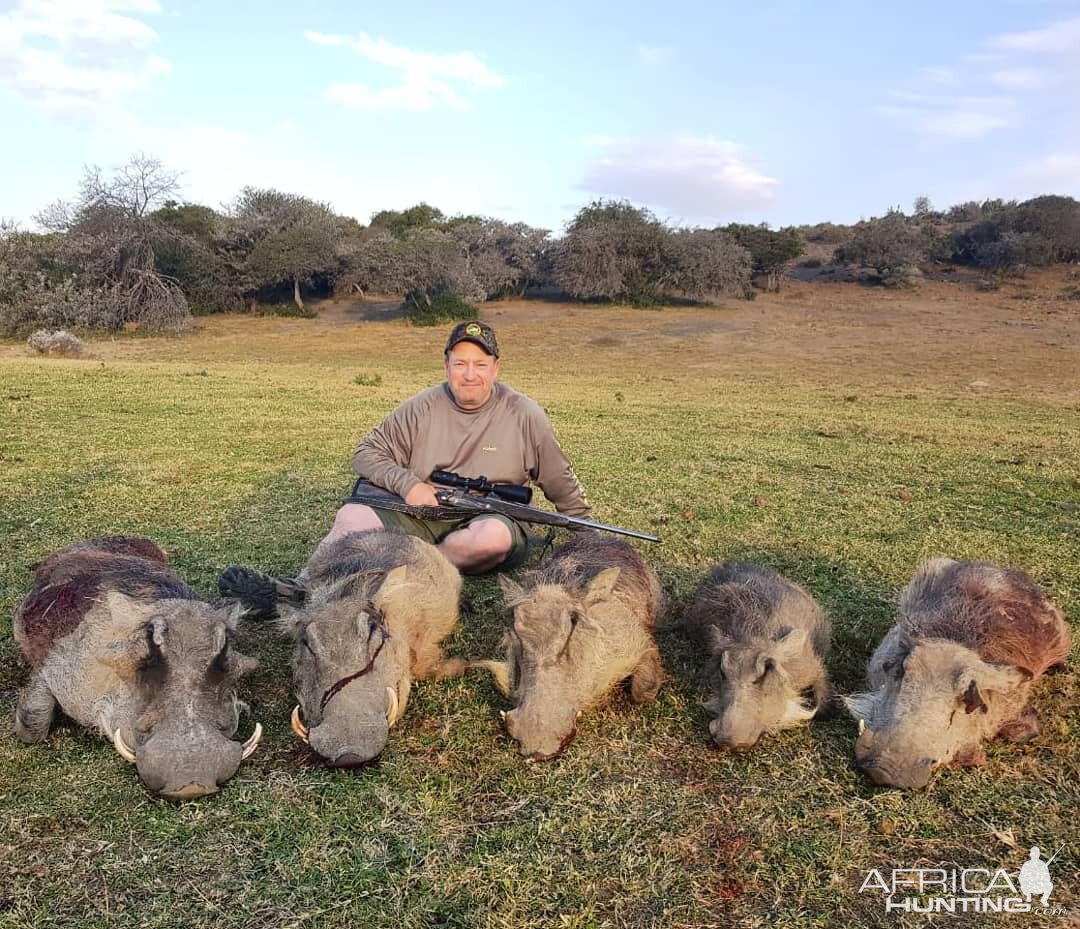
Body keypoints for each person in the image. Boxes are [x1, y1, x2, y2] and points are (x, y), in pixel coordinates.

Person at [220, 320, 590, 612]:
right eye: (460, 363)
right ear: (446, 365)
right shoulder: (422, 406)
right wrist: (409, 485)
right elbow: (366, 452)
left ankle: (390, 579)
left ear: (496, 368)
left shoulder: (525, 414)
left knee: (490, 539)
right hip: (422, 510)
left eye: (480, 364)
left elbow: (558, 477)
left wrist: (586, 534)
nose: (470, 374)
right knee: (352, 520)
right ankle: (297, 588)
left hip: (491, 518)